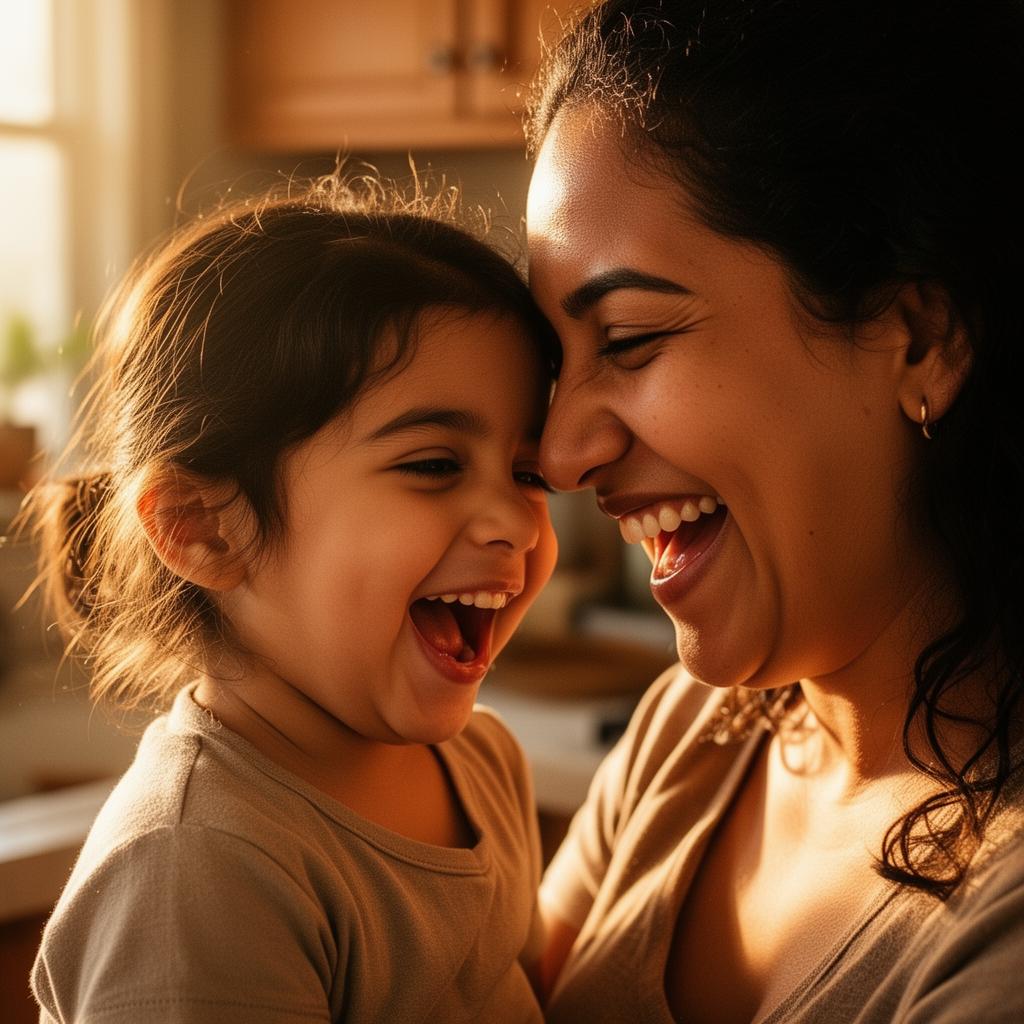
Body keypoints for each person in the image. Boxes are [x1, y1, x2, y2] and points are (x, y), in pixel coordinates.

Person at [525, 1, 1024, 1021]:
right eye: (550, 366)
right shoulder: (692, 733)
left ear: (919, 337)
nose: (557, 455)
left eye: (625, 341)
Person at [26, 176, 559, 1023]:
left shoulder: (483, 766)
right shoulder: (195, 869)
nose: (518, 524)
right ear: (204, 529)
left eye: (529, 474)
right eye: (433, 465)